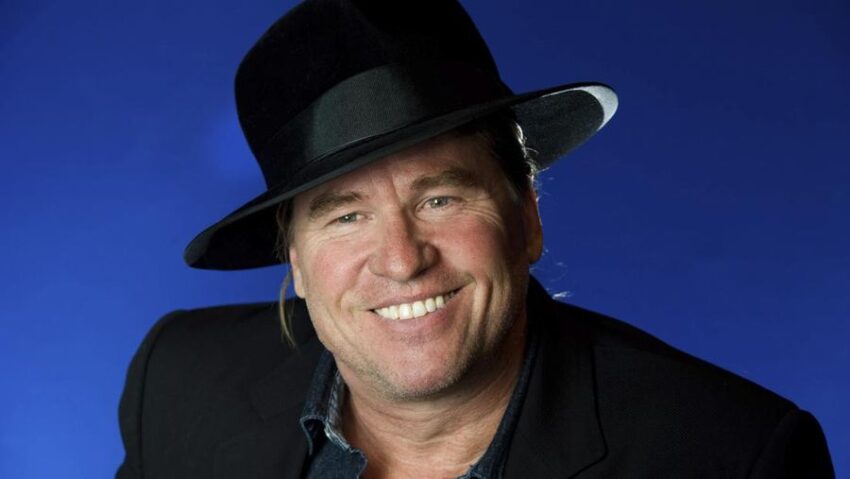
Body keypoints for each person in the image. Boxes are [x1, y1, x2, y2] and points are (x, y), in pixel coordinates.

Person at [116, 0, 834, 477]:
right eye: (346, 215)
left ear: (528, 218)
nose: (403, 260)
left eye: (441, 198)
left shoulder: (732, 455)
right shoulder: (178, 384)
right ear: (297, 260)